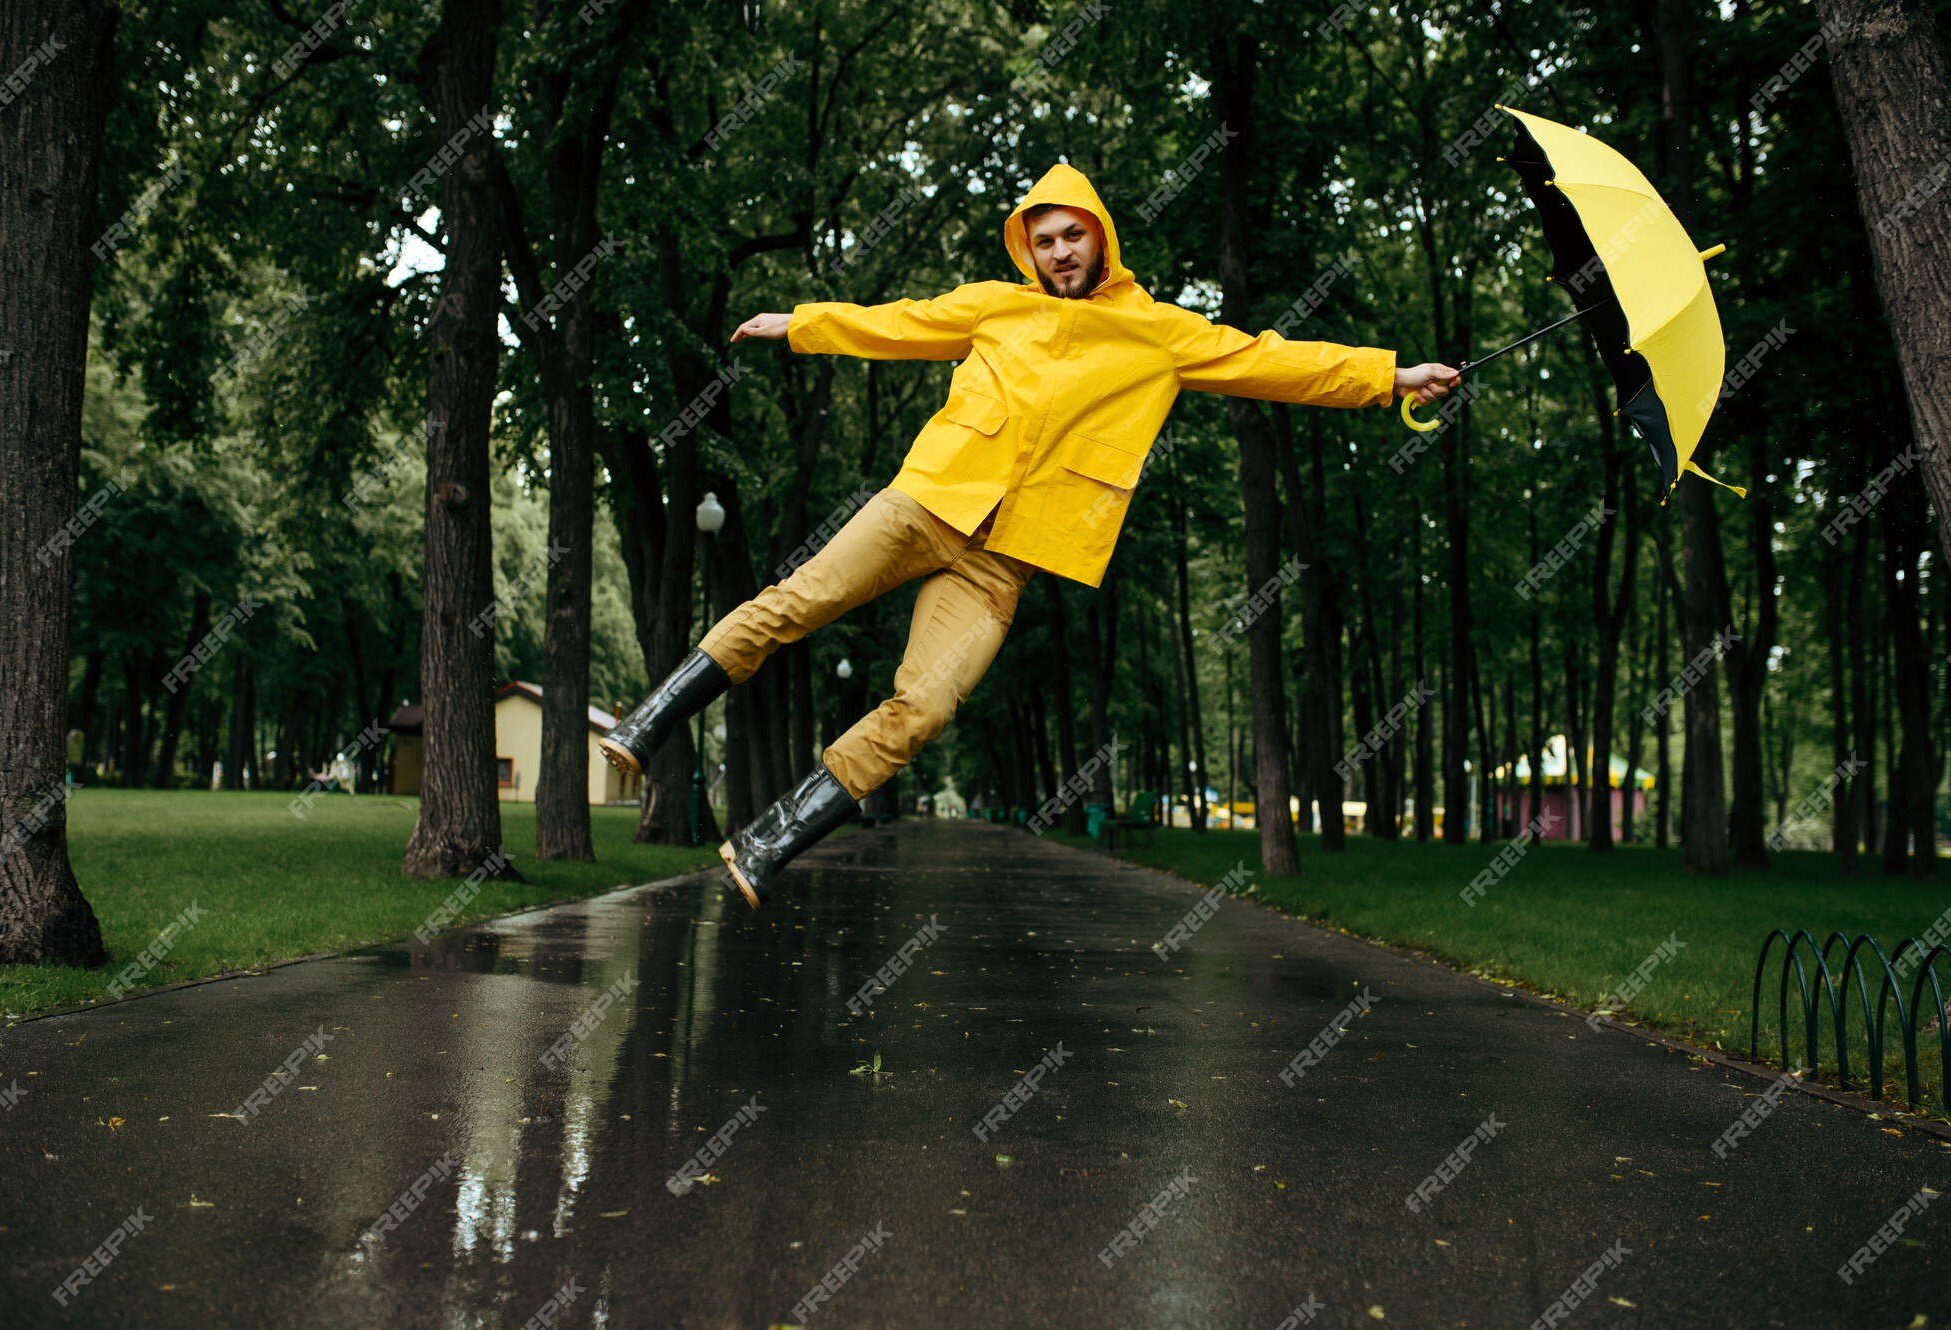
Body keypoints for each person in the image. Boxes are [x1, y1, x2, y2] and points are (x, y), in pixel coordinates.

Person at [600, 161, 1462, 909]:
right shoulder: (992, 309)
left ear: (1101, 240)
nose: (1060, 251)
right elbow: (898, 323)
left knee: (927, 709)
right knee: (797, 602)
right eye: (1044, 239)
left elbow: (1272, 358)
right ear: (1029, 249)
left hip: (997, 564)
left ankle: (768, 841)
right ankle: (648, 722)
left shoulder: (1157, 334)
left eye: (1073, 235)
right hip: (923, 506)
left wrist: (1391, 377)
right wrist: (805, 323)